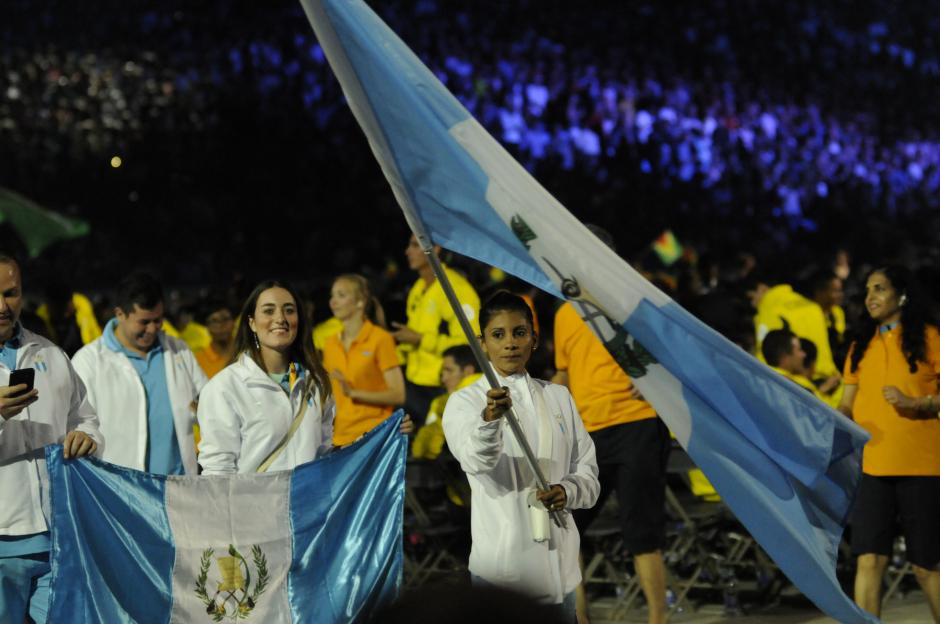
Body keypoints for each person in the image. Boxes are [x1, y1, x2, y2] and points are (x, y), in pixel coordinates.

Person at [443, 291, 599, 622]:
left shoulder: (559, 397)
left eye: (519, 332)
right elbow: (475, 460)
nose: (510, 343)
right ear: (481, 342)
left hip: (561, 572)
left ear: (534, 339)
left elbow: (588, 474)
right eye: (498, 335)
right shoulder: (465, 403)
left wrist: (567, 491)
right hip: (502, 575)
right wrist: (490, 421)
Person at [554, 296, 671, 624]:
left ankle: (658, 620)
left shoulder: (627, 300)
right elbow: (564, 373)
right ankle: (580, 619)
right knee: (566, 526)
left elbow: (669, 352)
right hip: (590, 435)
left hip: (638, 424)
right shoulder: (564, 313)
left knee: (641, 532)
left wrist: (656, 380)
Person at [0, 254, 103, 624]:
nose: (2, 305)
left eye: (10, 293)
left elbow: (86, 419)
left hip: (58, 534)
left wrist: (86, 438)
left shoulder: (52, 354)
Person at [837, 266, 940, 621]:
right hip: (872, 468)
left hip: (922, 466)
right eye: (867, 291)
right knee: (869, 559)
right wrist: (838, 418)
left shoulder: (931, 339)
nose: (871, 297)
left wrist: (918, 404)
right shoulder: (859, 347)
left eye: (880, 289)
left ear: (902, 295)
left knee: (926, 567)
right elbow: (846, 403)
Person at [72, 272, 207, 475]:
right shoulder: (88, 361)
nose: (153, 329)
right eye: (144, 322)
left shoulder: (179, 350)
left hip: (179, 488)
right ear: (120, 314)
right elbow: (78, 423)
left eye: (158, 320)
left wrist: (202, 410)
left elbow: (209, 405)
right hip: (121, 490)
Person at [197, 280, 336, 474]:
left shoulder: (316, 383)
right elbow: (218, 470)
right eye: (268, 311)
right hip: (254, 504)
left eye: (289, 310)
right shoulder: (224, 387)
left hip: (309, 503)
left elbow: (323, 455)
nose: (280, 318)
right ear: (252, 323)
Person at [393, 235, 480, 426]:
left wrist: (421, 340)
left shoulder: (456, 290)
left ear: (436, 249)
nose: (408, 251)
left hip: (441, 386)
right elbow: (413, 338)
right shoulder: (418, 288)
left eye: (415, 245)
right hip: (414, 383)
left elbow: (471, 345)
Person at [322, 274, 405, 446]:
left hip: (374, 435)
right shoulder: (329, 343)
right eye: (332, 295)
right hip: (339, 438)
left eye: (341, 295)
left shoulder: (380, 339)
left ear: (360, 302)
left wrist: (353, 393)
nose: (333, 301)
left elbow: (398, 394)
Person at [412, 344, 481, 461]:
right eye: (442, 373)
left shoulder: (487, 393)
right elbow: (422, 450)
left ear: (468, 371)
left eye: (449, 370)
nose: (443, 379)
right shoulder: (438, 402)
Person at [761, 328, 824, 398]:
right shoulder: (800, 391)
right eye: (799, 349)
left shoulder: (757, 379)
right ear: (784, 355)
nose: (804, 355)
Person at [193, 300, 236, 380]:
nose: (221, 325)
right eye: (214, 321)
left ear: (234, 322)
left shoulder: (248, 353)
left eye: (225, 319)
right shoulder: (198, 361)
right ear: (206, 327)